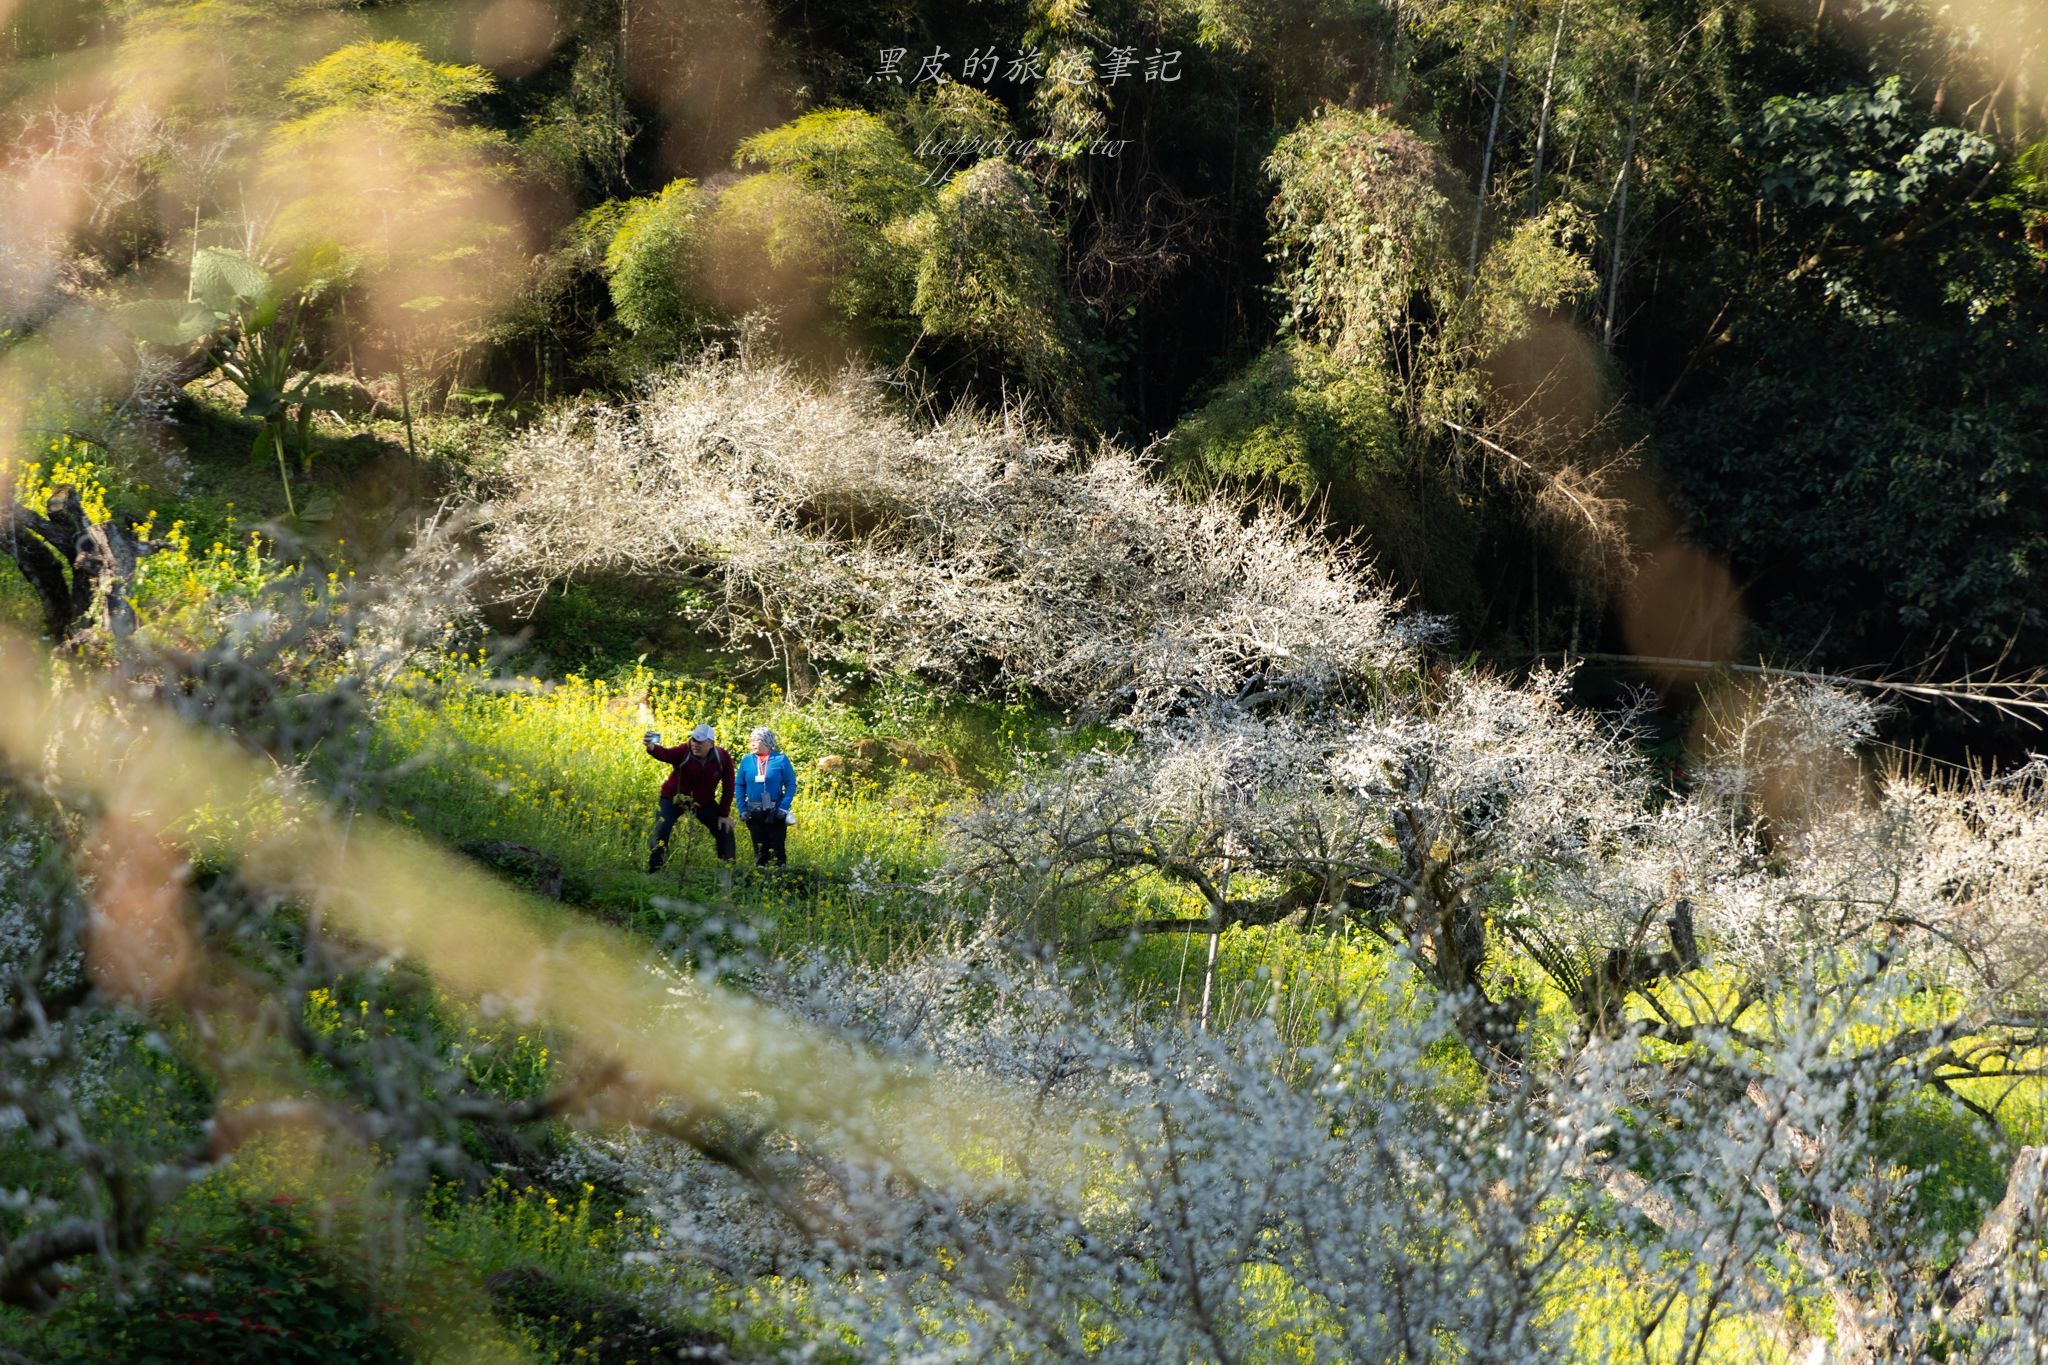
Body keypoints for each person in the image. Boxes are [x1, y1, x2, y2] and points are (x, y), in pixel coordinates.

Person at [644, 723, 735, 872]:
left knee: (725, 828)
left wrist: (724, 814)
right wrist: (651, 747)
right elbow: (666, 754)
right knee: (661, 829)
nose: (695, 745)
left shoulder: (722, 757)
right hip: (673, 798)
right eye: (693, 740)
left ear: (711, 743)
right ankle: (655, 871)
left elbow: (729, 786)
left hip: (703, 802)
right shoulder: (684, 751)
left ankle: (728, 871)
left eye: (700, 742)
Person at [733, 726, 796, 868]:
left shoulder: (780, 759)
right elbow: (739, 785)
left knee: (777, 848)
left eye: (756, 740)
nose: (752, 743)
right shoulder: (747, 760)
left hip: (775, 811)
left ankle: (780, 876)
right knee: (760, 850)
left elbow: (791, 785)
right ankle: (760, 879)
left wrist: (784, 807)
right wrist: (742, 808)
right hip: (754, 811)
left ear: (766, 742)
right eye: (751, 740)